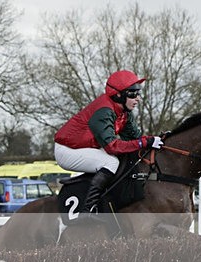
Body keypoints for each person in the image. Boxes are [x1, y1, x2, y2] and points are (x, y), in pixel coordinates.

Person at [54, 70, 163, 216]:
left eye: (138, 93)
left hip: (84, 148)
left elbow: (136, 139)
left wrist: (155, 141)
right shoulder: (104, 111)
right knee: (111, 162)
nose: (137, 98)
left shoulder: (124, 112)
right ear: (118, 94)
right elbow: (113, 147)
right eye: (132, 93)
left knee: (124, 158)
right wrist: (145, 141)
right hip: (67, 151)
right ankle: (88, 209)